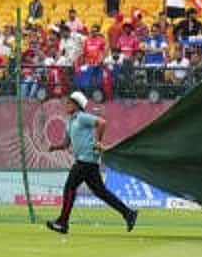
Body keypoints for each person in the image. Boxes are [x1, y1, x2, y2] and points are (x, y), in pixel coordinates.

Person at [45, 91, 138, 234]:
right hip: (88, 162)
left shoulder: (82, 117)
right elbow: (66, 144)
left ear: (77, 105)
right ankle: (128, 213)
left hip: (85, 160)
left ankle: (63, 222)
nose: (66, 105)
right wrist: (55, 147)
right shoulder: (71, 122)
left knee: (69, 188)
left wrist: (98, 142)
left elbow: (102, 123)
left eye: (70, 103)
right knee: (101, 192)